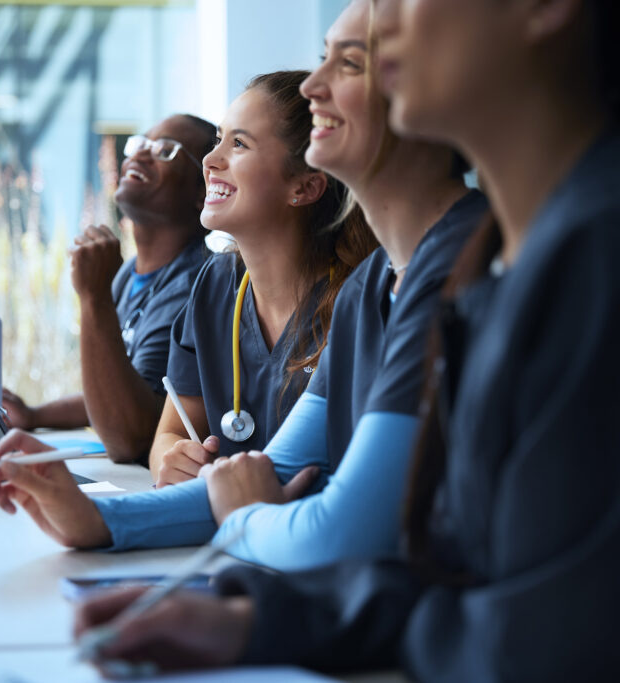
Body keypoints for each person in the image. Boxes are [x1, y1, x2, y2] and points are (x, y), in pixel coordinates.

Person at [74, 0, 620, 679]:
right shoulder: (480, 262)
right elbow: (461, 579)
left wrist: (247, 526)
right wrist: (252, 620)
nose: (313, 85)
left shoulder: (615, 252)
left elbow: (539, 640)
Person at [0, 70, 376, 550]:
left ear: (305, 187)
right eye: (217, 141)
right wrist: (172, 459)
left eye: (240, 145)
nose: (211, 161)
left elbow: (287, 483)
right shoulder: (216, 287)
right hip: (230, 544)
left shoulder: (359, 303)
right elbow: (166, 433)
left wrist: (99, 518)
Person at [192, 0, 487, 571]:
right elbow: (271, 475)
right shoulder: (369, 285)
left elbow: (338, 534)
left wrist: (243, 520)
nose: (312, 88)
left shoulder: (462, 263)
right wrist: (92, 516)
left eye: (350, 64)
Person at [1, 114, 214, 464]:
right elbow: (117, 389)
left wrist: (94, 296)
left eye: (164, 150)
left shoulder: (197, 283)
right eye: (139, 144)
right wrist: (35, 416)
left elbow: (131, 438)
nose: (139, 155)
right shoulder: (128, 272)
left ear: (201, 191)